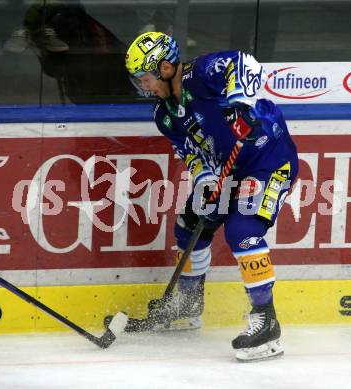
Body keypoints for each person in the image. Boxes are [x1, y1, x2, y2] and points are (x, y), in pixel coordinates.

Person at [124, 32, 298, 362]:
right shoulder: (165, 115)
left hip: (268, 160)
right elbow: (192, 153)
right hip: (227, 171)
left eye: (145, 78)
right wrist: (205, 179)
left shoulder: (202, 73)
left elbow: (246, 63)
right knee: (190, 224)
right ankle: (188, 305)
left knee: (242, 230)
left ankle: (267, 320)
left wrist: (237, 104)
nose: (144, 86)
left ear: (164, 67)